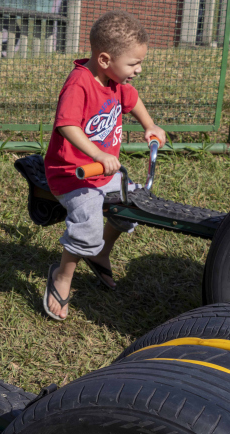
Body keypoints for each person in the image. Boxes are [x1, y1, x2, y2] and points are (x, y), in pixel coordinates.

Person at [42, 10, 166, 320]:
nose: (138, 70)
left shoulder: (116, 81)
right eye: (133, 64)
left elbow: (132, 100)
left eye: (140, 63)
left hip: (104, 172)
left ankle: (100, 254)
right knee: (87, 226)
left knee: (133, 206)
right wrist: (97, 154)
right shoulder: (79, 84)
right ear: (106, 60)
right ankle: (62, 276)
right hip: (74, 175)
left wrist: (149, 125)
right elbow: (66, 126)